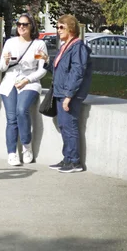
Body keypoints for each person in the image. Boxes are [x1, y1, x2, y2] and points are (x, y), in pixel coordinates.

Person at [0, 13, 48, 166]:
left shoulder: (38, 44)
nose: (21, 27)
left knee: (21, 110)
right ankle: (12, 153)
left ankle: (26, 145)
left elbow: (42, 69)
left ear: (31, 26)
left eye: (25, 24)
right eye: (19, 24)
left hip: (30, 82)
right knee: (11, 118)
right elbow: (1, 67)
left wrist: (27, 80)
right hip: (10, 82)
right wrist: (5, 62)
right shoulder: (10, 43)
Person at [47, 14, 92, 173]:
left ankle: (75, 162)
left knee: (70, 126)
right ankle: (67, 159)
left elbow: (77, 72)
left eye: (61, 27)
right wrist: (47, 62)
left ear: (71, 28)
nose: (58, 30)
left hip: (69, 94)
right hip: (61, 92)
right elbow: (58, 69)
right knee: (64, 126)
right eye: (57, 27)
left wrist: (68, 96)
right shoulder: (65, 46)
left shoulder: (78, 47)